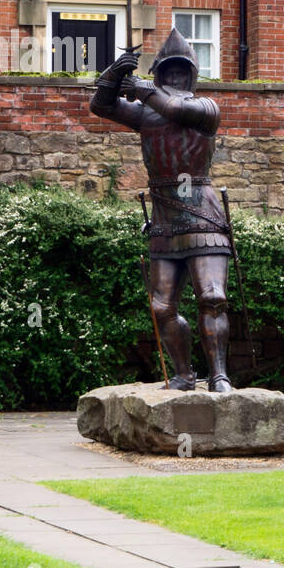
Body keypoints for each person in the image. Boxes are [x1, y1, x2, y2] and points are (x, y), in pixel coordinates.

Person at [90, 28, 233, 392]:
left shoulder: (205, 108)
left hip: (203, 215)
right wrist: (115, 72)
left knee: (213, 298)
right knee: (162, 307)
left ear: (192, 75)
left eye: (181, 71)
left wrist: (141, 89)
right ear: (159, 74)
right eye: (168, 71)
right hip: (165, 219)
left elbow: (175, 109)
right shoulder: (146, 115)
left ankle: (219, 375)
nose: (175, 77)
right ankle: (184, 375)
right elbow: (101, 105)